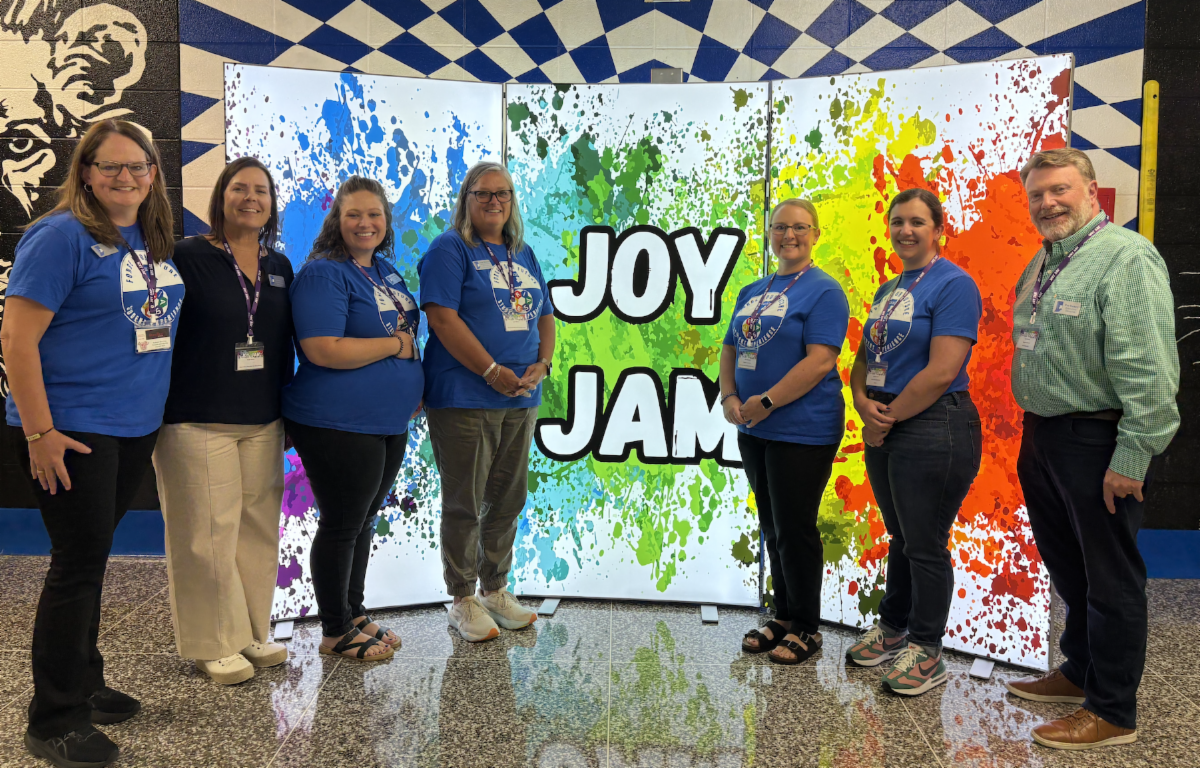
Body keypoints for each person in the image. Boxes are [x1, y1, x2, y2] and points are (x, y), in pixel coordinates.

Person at [0, 119, 181, 768]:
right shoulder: (59, 237)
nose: (125, 177)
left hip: (132, 426)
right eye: (111, 166)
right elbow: (16, 340)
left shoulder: (147, 238)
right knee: (76, 568)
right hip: (73, 428)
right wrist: (39, 432)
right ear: (85, 172)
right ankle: (54, 720)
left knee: (93, 558)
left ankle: (84, 681)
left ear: (153, 175)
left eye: (138, 166)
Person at [1003, 149, 1179, 750]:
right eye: (1037, 194)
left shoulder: (1126, 257)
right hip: (1044, 435)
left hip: (1099, 440)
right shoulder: (1044, 261)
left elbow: (1150, 370)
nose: (1047, 202)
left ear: (1092, 190)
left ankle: (1112, 711)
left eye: (1060, 189)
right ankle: (1079, 669)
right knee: (1069, 568)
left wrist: (1132, 457)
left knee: (1111, 579)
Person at [152, 157, 294, 685]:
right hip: (196, 416)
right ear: (221, 196)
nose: (251, 198)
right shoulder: (184, 256)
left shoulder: (280, 266)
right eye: (240, 188)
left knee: (256, 530)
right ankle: (213, 642)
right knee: (205, 534)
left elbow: (283, 342)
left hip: (263, 417)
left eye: (261, 190)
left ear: (272, 204)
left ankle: (253, 630)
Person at [845, 188, 983, 696]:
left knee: (925, 544)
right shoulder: (889, 289)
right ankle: (893, 629)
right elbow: (864, 359)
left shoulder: (954, 285)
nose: (905, 230)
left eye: (917, 222)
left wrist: (886, 419)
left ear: (938, 230)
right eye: (898, 221)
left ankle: (927, 651)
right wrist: (863, 402)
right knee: (901, 537)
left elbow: (943, 370)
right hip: (886, 419)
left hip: (934, 424)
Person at [282, 176, 423, 661]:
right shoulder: (324, 274)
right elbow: (323, 349)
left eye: (374, 214)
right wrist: (395, 346)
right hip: (337, 421)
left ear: (386, 221)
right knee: (343, 523)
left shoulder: (385, 271)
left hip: (387, 420)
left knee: (363, 520)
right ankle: (335, 629)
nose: (366, 223)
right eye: (354, 215)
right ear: (336, 221)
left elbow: (406, 332)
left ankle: (354, 612)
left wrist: (413, 381)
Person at [418, 161, 554, 642]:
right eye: (483, 193)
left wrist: (543, 364)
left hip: (521, 398)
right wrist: (492, 371)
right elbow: (442, 319)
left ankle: (495, 588)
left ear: (512, 201)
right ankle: (462, 598)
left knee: (508, 498)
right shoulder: (450, 248)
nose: (494, 201)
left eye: (503, 193)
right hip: (465, 396)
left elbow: (545, 315)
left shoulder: (523, 252)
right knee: (466, 501)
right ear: (467, 199)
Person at [720, 198, 849, 665]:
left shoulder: (825, 291)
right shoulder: (753, 289)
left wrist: (768, 401)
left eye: (799, 227)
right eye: (779, 227)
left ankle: (807, 628)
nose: (788, 235)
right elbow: (730, 347)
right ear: (769, 233)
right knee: (773, 526)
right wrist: (729, 397)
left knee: (795, 529)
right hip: (754, 428)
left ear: (815, 234)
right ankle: (784, 616)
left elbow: (821, 360)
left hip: (802, 429)